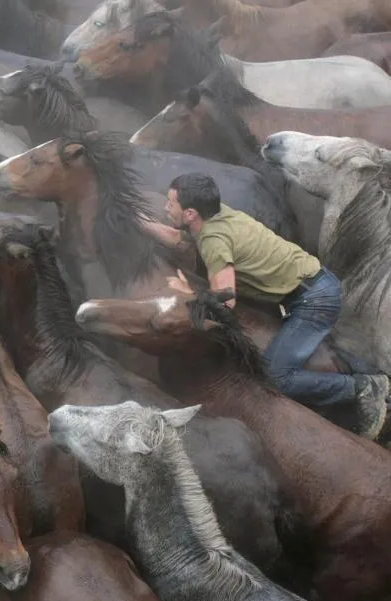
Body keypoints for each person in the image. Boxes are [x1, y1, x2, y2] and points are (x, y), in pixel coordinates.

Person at [149, 172, 388, 440]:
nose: (166, 208)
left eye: (171, 203)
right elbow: (177, 238)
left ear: (190, 213)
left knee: (276, 377)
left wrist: (190, 293)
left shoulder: (215, 241)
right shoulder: (215, 214)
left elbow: (226, 300)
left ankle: (359, 387)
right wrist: (140, 222)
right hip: (313, 285)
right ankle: (377, 377)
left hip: (313, 299)